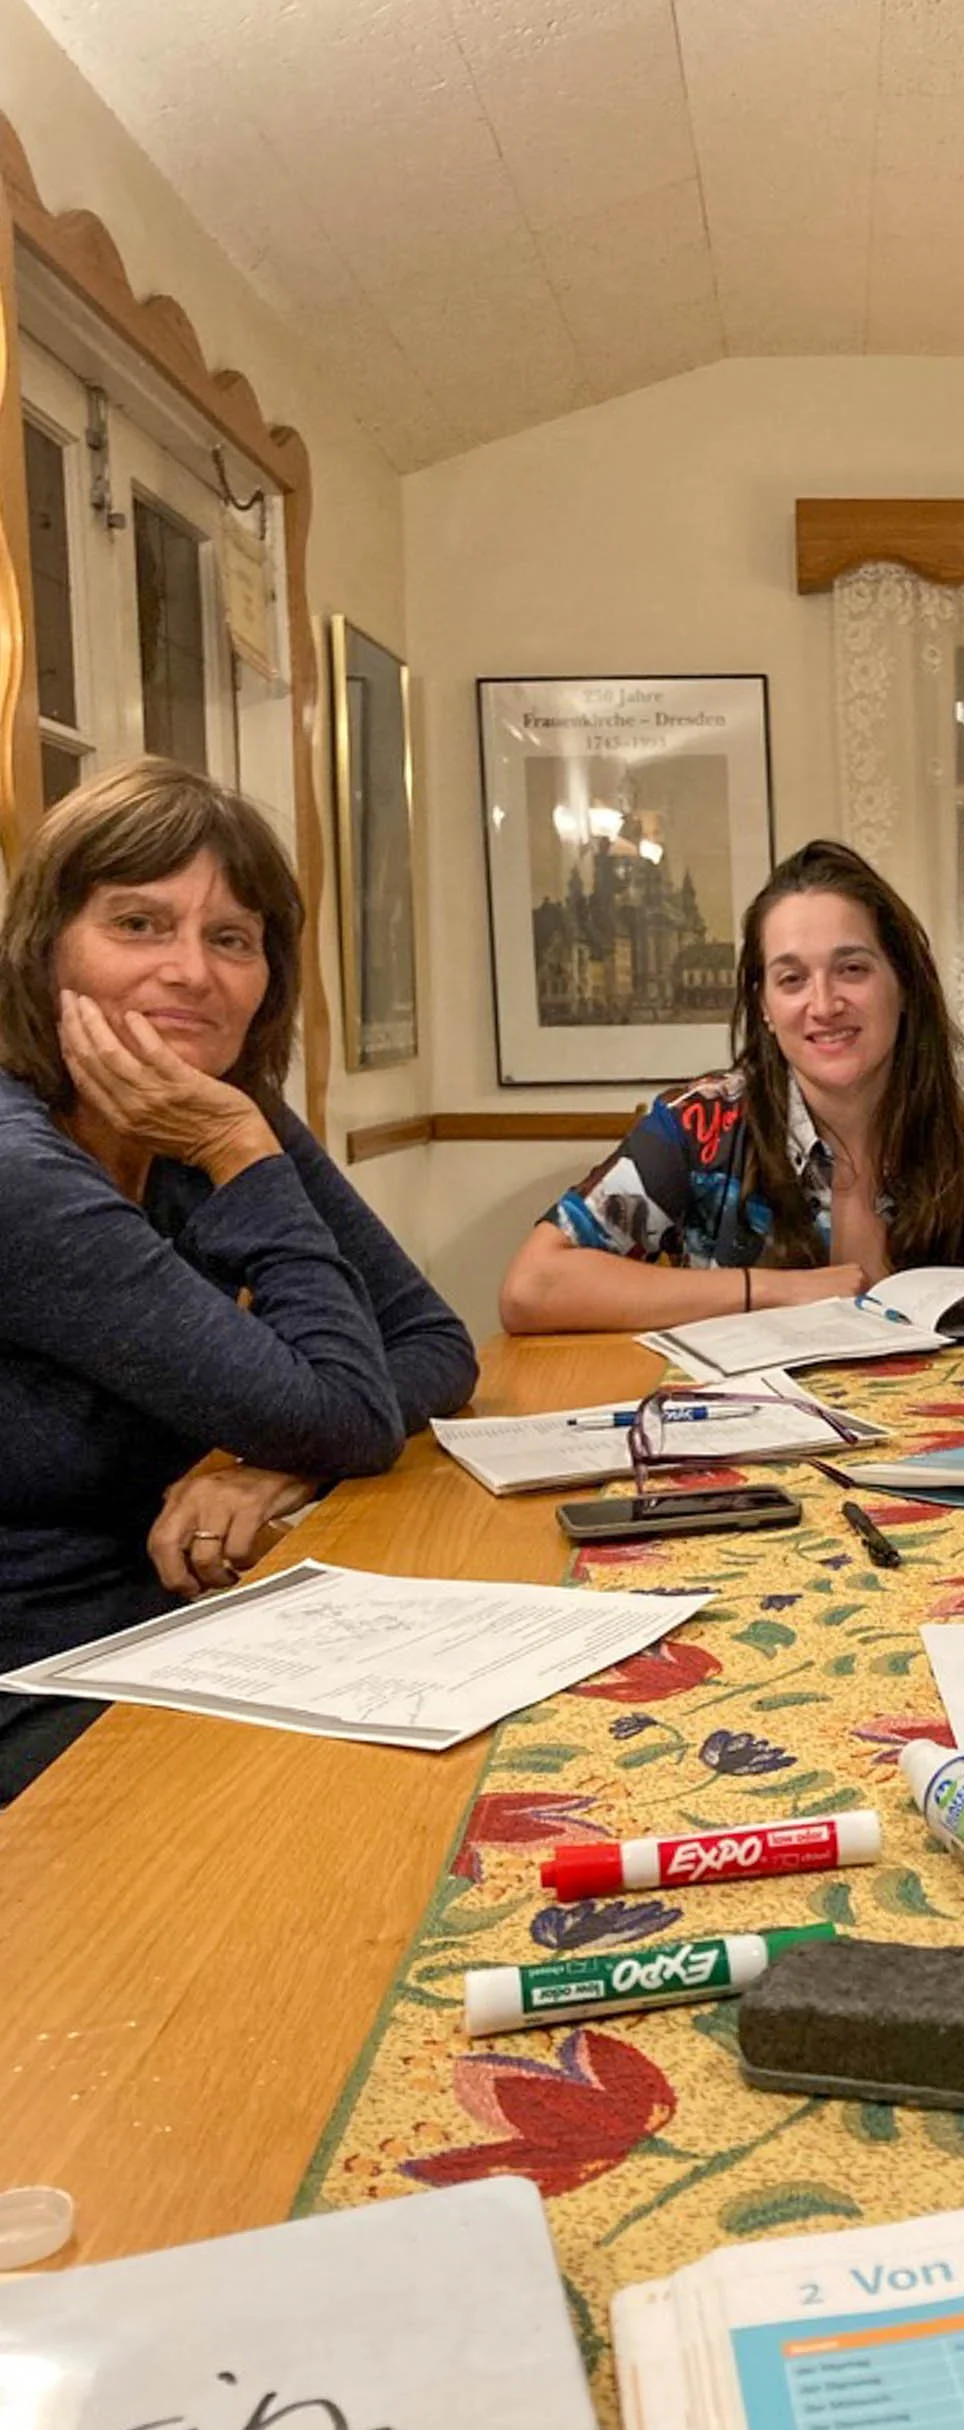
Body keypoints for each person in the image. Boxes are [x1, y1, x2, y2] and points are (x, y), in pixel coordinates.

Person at [0, 758, 477, 1798]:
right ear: (44, 953)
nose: (192, 973)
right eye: (139, 924)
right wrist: (237, 1151)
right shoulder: (26, 1169)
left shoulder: (214, 1106)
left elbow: (434, 1340)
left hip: (186, 1638)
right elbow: (351, 1408)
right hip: (43, 1695)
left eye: (231, 938)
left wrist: (272, 1458)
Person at [501, 839, 964, 1332]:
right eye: (791, 979)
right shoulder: (698, 1128)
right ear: (765, 1009)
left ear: (905, 985)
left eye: (852, 969)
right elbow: (530, 1289)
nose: (823, 1005)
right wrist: (775, 1291)